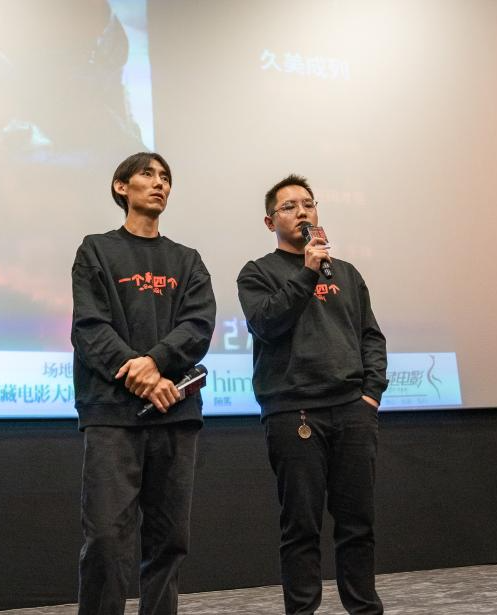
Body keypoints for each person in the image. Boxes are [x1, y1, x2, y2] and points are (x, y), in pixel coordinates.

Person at [71, 152, 216, 615]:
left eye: (166, 177)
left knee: (169, 541)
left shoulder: (187, 260)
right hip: (111, 414)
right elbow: (89, 327)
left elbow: (198, 325)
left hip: (175, 413)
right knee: (106, 540)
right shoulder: (95, 250)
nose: (159, 184)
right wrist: (139, 373)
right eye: (147, 174)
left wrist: (153, 363)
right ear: (121, 187)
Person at [236, 174, 388, 614]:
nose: (302, 211)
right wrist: (306, 271)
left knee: (358, 524)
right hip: (293, 412)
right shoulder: (257, 273)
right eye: (289, 206)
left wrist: (371, 393)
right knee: (301, 527)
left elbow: (370, 336)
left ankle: (364, 609)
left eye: (308, 203)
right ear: (270, 222)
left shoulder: (346, 273)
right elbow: (267, 323)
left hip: (352, 411)